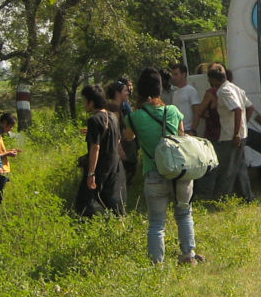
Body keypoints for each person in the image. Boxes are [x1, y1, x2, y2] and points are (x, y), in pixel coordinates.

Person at [124, 68, 203, 265]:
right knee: (184, 214)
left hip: (153, 173)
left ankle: (156, 263)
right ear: (160, 89)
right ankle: (188, 256)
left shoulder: (135, 117)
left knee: (156, 223)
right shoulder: (174, 111)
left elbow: (129, 137)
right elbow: (181, 136)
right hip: (178, 173)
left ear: (140, 91)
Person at [75, 83, 125, 216]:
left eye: (85, 101)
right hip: (113, 164)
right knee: (106, 197)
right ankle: (120, 220)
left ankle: (84, 227)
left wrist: (91, 173)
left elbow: (95, 147)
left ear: (92, 102)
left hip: (100, 166)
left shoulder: (94, 120)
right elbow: (118, 139)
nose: (84, 104)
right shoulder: (112, 117)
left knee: (84, 201)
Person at [209, 64, 254, 202]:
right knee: (240, 168)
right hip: (241, 134)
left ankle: (222, 200)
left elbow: (237, 109)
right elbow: (250, 107)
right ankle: (247, 198)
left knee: (226, 170)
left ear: (213, 79)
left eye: (209, 79)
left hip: (230, 136)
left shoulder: (223, 91)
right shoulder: (235, 88)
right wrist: (243, 126)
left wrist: (236, 134)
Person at [107, 78, 137, 184]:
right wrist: (121, 150)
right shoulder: (113, 109)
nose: (128, 92)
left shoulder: (118, 107)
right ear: (117, 93)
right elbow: (113, 131)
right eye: (125, 90)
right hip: (119, 148)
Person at [170, 62, 200, 134]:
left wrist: (193, 130)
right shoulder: (175, 93)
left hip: (189, 130)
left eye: (176, 74)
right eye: (173, 75)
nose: (173, 77)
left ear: (184, 74)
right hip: (178, 131)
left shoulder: (191, 91)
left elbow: (197, 112)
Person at [0, 111, 19, 176]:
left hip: (2, 169)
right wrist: (8, 153)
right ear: (4, 123)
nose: (11, 129)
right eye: (10, 126)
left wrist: (9, 151)